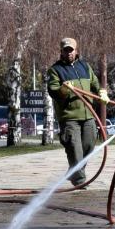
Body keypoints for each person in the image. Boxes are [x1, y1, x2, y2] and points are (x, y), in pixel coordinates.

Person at [46, 37, 107, 187]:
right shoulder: (55, 70)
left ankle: (74, 171)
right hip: (69, 118)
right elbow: (53, 91)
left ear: (76, 50)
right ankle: (79, 181)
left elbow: (94, 83)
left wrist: (102, 92)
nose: (68, 53)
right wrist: (63, 89)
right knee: (75, 150)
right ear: (61, 51)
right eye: (65, 50)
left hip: (88, 115)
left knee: (89, 146)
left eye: (70, 50)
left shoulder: (85, 67)